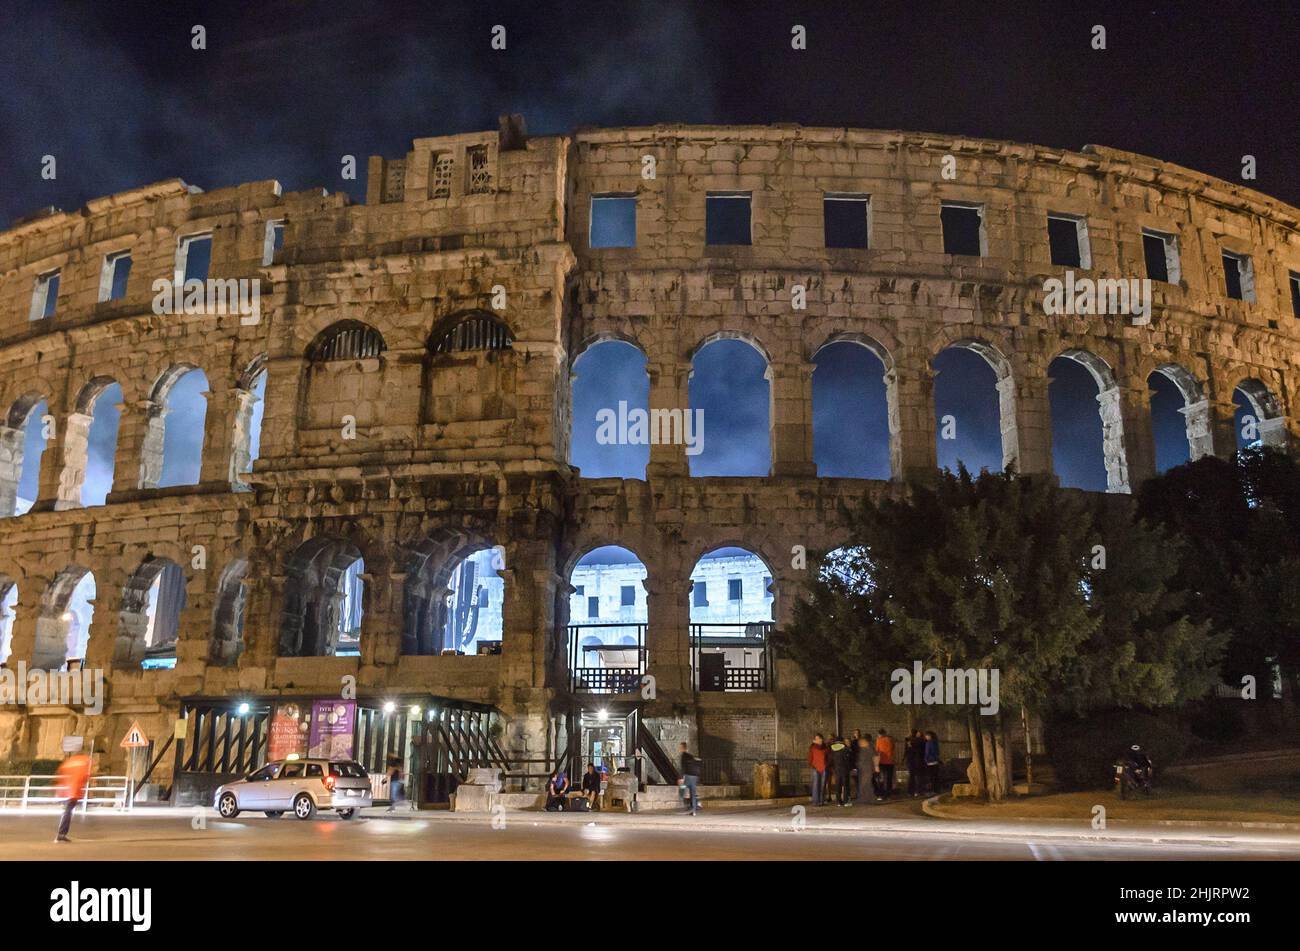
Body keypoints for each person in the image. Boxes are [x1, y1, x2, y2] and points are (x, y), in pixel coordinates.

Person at [54, 752, 92, 843]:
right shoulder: (84, 761)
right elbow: (85, 776)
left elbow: (60, 775)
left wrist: (59, 790)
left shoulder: (68, 762)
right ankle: (61, 834)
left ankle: (62, 834)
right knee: (67, 811)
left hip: (66, 790)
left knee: (67, 811)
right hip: (74, 790)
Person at [677, 742, 701, 815]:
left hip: (688, 776)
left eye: (680, 747)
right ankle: (694, 809)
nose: (679, 749)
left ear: (682, 748)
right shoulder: (691, 756)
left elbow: (683, 767)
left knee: (682, 788)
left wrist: (681, 778)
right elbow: (697, 763)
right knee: (692, 793)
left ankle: (691, 804)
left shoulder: (683, 756)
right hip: (695, 777)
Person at [829, 734, 853, 806]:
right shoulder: (845, 748)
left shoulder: (832, 749)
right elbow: (848, 759)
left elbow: (831, 760)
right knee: (845, 785)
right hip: (844, 769)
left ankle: (838, 801)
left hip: (837, 770)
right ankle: (846, 801)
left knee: (838, 785)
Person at [808, 733, 829, 806]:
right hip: (816, 768)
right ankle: (815, 801)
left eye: (819, 738)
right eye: (816, 738)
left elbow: (828, 757)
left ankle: (821, 801)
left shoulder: (825, 748)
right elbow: (810, 757)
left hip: (824, 768)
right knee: (816, 785)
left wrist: (827, 765)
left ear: (822, 739)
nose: (818, 740)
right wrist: (811, 765)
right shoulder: (812, 748)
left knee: (823, 785)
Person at [853, 735, 875, 805]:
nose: (860, 743)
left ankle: (868, 799)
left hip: (867, 769)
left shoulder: (869, 749)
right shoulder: (862, 749)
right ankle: (865, 799)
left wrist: (875, 767)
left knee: (866, 784)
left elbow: (874, 757)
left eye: (861, 742)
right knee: (864, 784)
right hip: (862, 769)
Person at [875, 728, 895, 800]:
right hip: (890, 761)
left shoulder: (878, 740)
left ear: (879, 734)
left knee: (881, 779)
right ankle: (889, 795)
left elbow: (877, 751)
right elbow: (893, 748)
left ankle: (882, 795)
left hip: (882, 762)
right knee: (889, 779)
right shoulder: (890, 739)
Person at [905, 729, 926, 797]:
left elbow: (906, 751)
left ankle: (910, 792)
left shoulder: (908, 741)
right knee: (919, 776)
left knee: (911, 777)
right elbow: (923, 751)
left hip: (910, 761)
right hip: (919, 760)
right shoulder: (922, 741)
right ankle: (919, 791)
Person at [923, 730, 941, 795]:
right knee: (935, 777)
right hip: (935, 761)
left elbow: (927, 753)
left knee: (931, 777)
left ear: (929, 736)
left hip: (930, 762)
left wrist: (926, 760)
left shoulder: (929, 743)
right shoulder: (935, 742)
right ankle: (936, 790)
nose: (925, 737)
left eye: (926, 735)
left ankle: (932, 791)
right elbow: (937, 752)